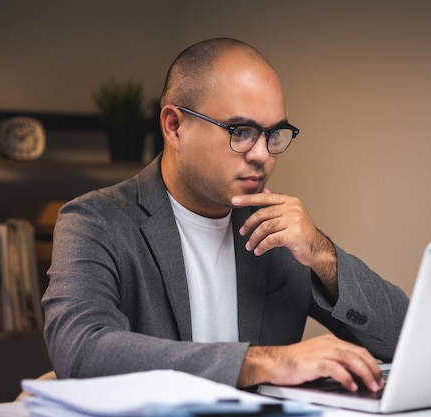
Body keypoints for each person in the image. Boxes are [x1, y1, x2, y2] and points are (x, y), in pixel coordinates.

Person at [43, 38, 409, 394]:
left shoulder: (275, 229)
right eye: (242, 131)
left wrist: (323, 254)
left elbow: (406, 341)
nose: (262, 155)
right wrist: (265, 362)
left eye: (274, 134)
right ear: (174, 126)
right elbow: (81, 350)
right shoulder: (95, 221)